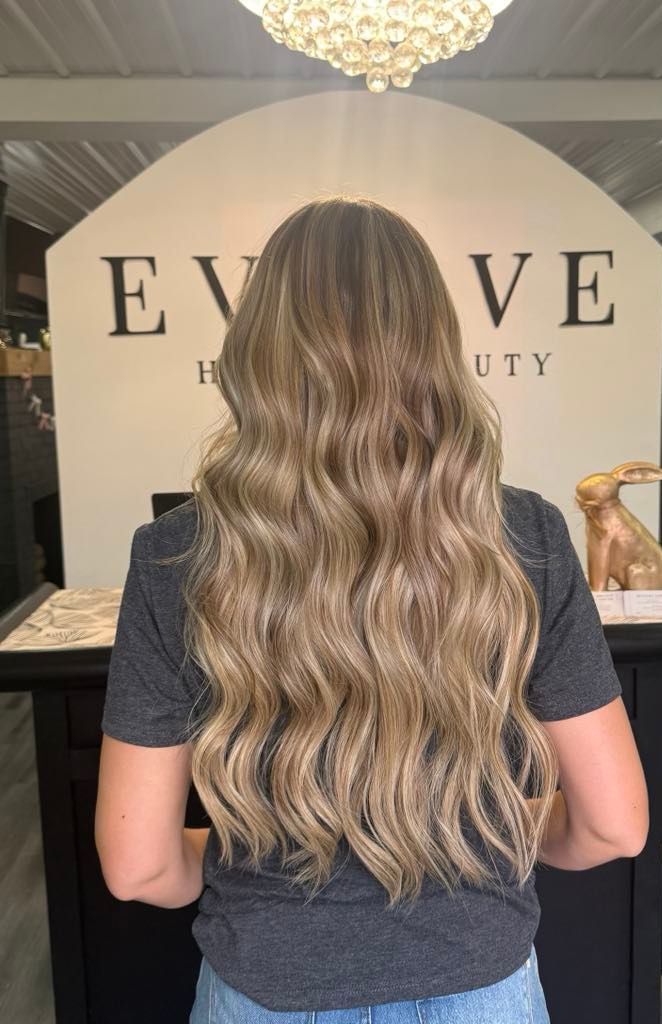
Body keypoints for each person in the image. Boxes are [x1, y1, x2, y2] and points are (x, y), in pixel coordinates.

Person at [95, 196, 649, 1024]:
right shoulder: (525, 534)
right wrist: (495, 833)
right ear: (432, 347)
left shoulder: (175, 553)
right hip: (482, 994)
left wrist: (234, 856)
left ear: (256, 353)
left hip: (265, 993)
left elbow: (138, 867)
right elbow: (614, 828)